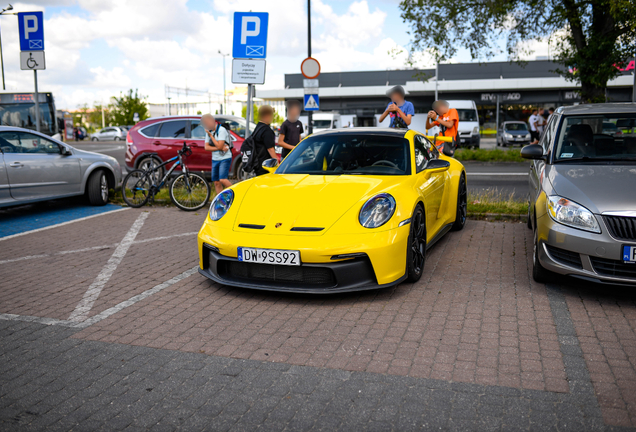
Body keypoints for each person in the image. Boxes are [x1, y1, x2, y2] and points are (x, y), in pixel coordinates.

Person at [201, 114, 231, 195]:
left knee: (223, 179)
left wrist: (211, 136)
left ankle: (238, 193)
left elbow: (220, 145)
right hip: (215, 159)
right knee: (216, 182)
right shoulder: (209, 131)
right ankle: (222, 201)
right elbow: (206, 147)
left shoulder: (221, 130)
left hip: (225, 158)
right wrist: (219, 148)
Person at [252, 105, 278, 175]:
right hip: (266, 165)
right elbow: (270, 149)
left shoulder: (258, 128)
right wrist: (277, 164)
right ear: (267, 115)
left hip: (257, 164)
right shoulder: (266, 130)